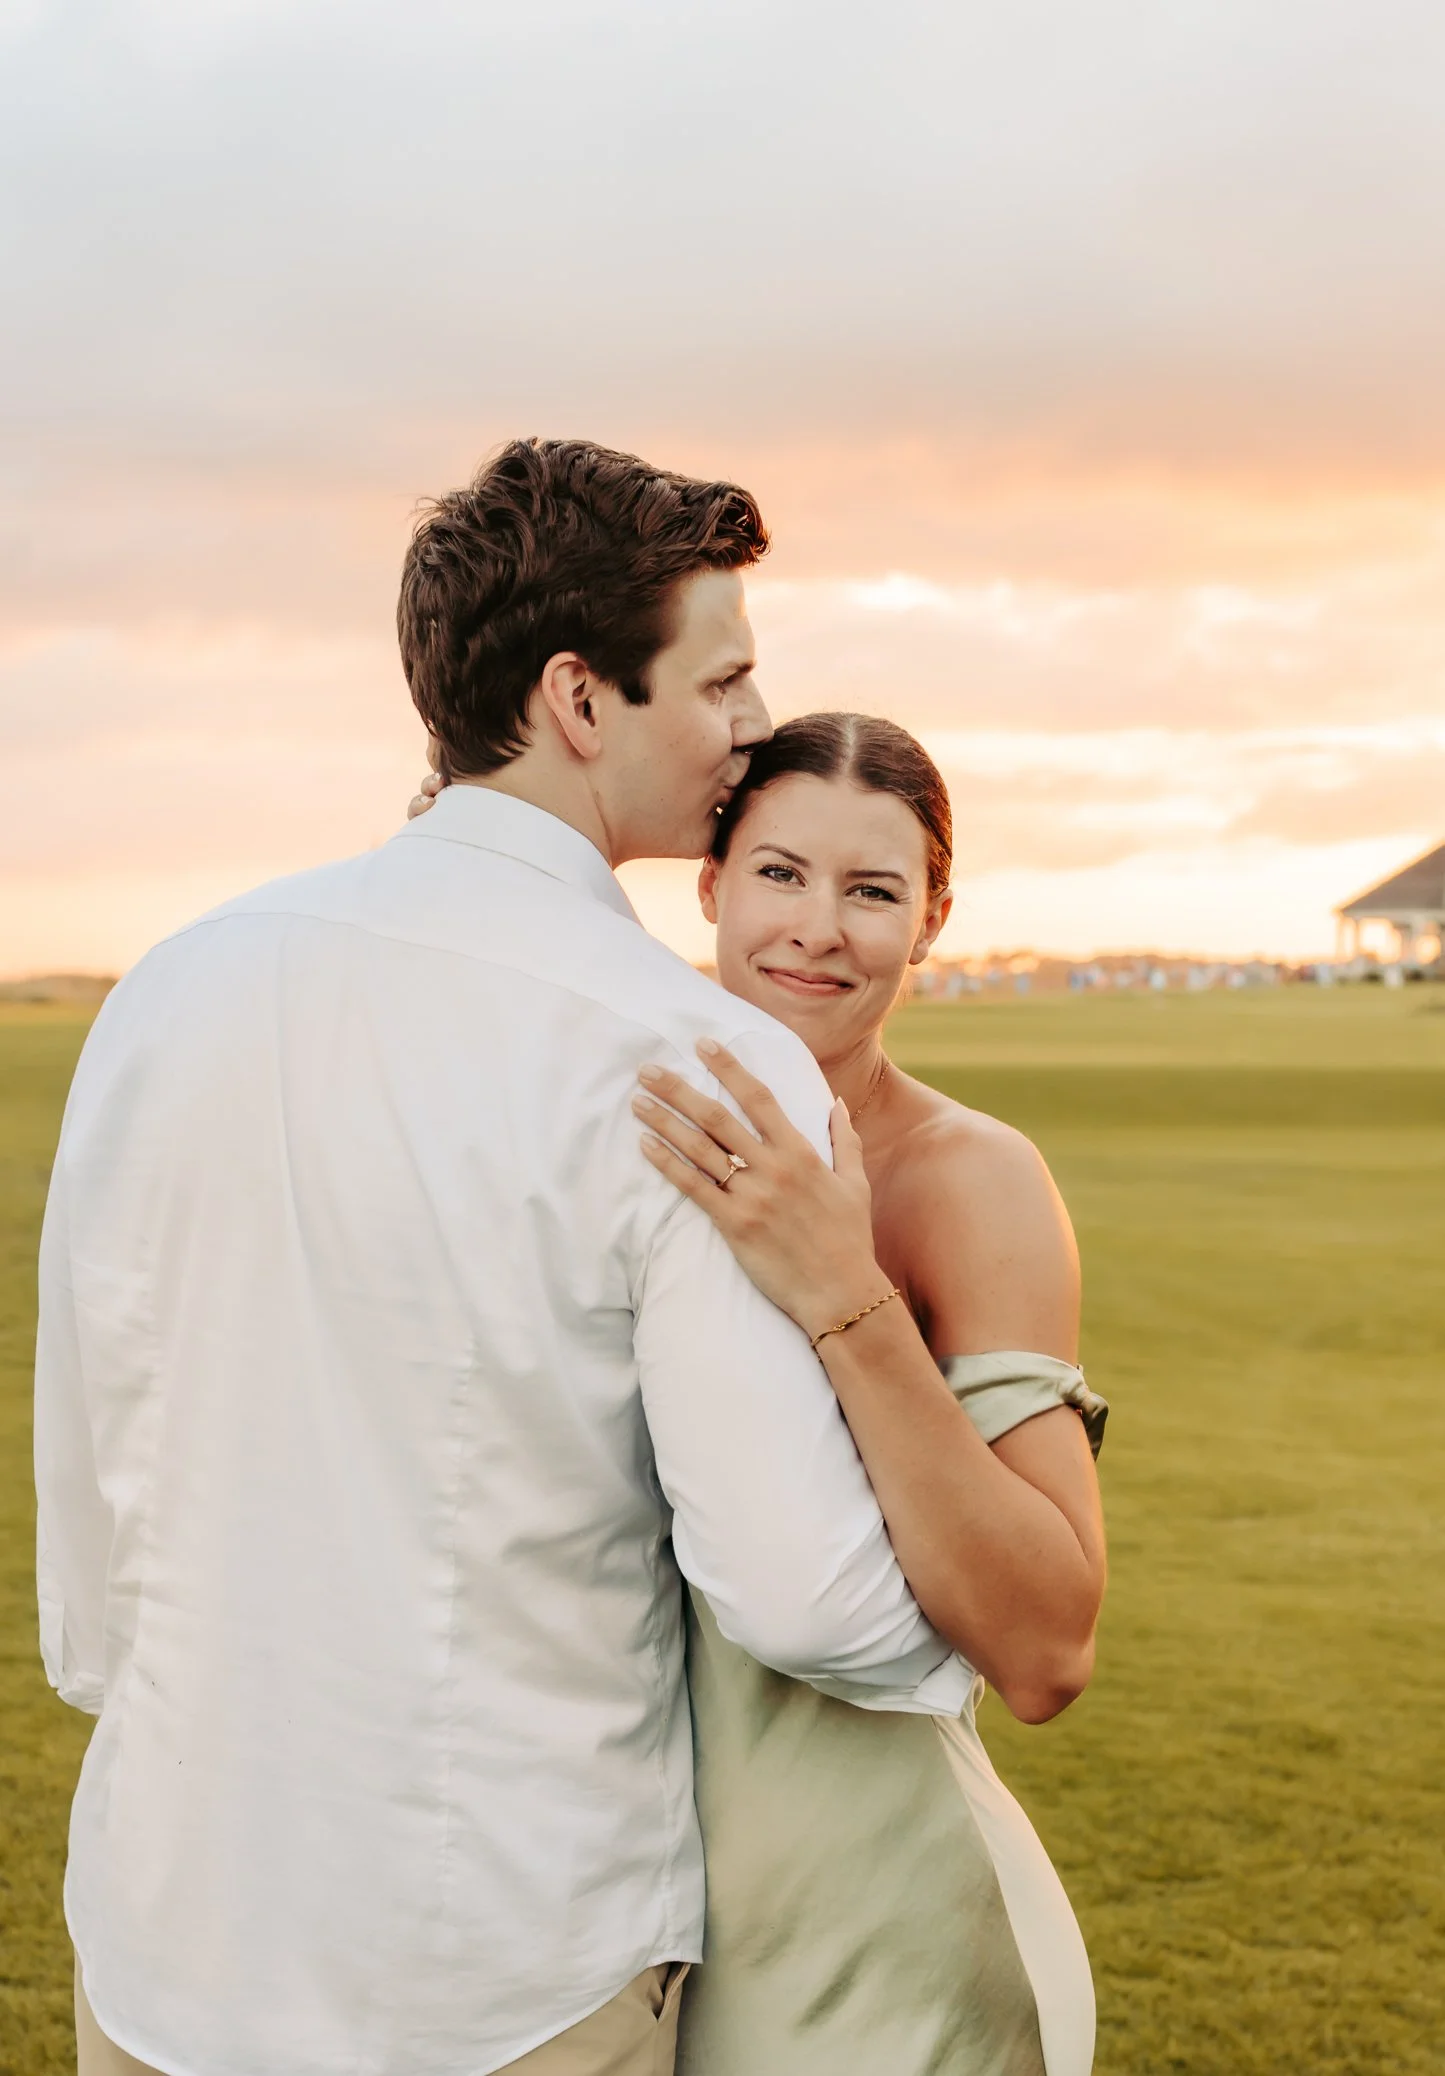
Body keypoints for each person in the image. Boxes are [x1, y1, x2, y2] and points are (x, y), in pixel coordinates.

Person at [35, 441, 969, 2076]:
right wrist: (979, 1623)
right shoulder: (696, 1059)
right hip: (502, 1975)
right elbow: (805, 1596)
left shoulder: (170, 988)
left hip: (165, 1942)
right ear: (579, 699)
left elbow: (94, 1489)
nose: (754, 723)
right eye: (724, 678)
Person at [410, 714, 1110, 2075]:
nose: (818, 930)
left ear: (933, 921)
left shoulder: (970, 1181)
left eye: (873, 891)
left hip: (868, 1925)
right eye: (781, 873)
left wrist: (842, 1289)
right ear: (712, 885)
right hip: (572, 1912)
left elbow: (1047, 1648)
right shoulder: (587, 1125)